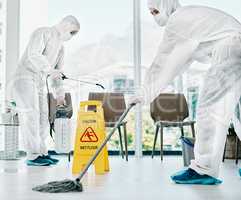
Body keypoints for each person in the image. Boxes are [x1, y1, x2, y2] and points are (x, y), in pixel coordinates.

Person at [130, 0, 241, 184]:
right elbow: (178, 64)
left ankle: (204, 169)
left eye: (155, 11)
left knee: (210, 108)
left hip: (230, 49)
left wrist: (144, 94)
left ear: (166, 4)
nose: (154, 16)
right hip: (237, 46)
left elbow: (164, 61)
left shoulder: (179, 21)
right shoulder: (190, 20)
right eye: (150, 13)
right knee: (238, 111)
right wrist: (150, 93)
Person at [13, 16, 80, 166]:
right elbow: (33, 54)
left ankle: (42, 153)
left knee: (43, 117)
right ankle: (32, 156)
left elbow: (57, 73)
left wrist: (60, 94)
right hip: (24, 78)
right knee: (31, 116)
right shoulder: (43, 32)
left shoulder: (61, 48)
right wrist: (49, 70)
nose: (72, 36)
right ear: (65, 25)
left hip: (39, 82)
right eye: (73, 32)